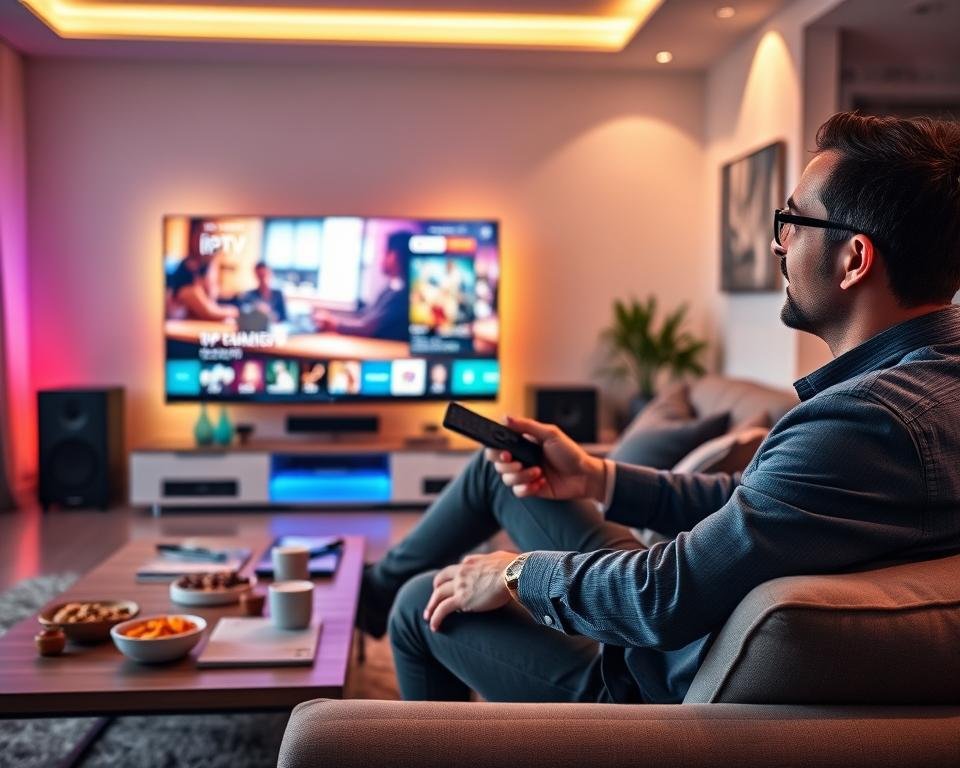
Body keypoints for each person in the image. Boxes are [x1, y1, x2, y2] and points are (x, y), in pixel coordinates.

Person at [359, 112, 960, 704]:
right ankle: (368, 597)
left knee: (422, 603)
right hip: (679, 621)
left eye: (794, 222)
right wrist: (595, 476)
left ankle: (389, 625)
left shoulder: (862, 425)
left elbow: (663, 597)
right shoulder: (928, 384)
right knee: (501, 471)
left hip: (648, 680)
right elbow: (751, 505)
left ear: (854, 259)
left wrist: (514, 573)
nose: (779, 242)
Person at [313, 231, 413, 341]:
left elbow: (367, 328)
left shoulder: (401, 293)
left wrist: (334, 323)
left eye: (384, 253)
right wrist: (333, 320)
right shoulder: (392, 288)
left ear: (394, 256)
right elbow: (365, 317)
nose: (381, 258)